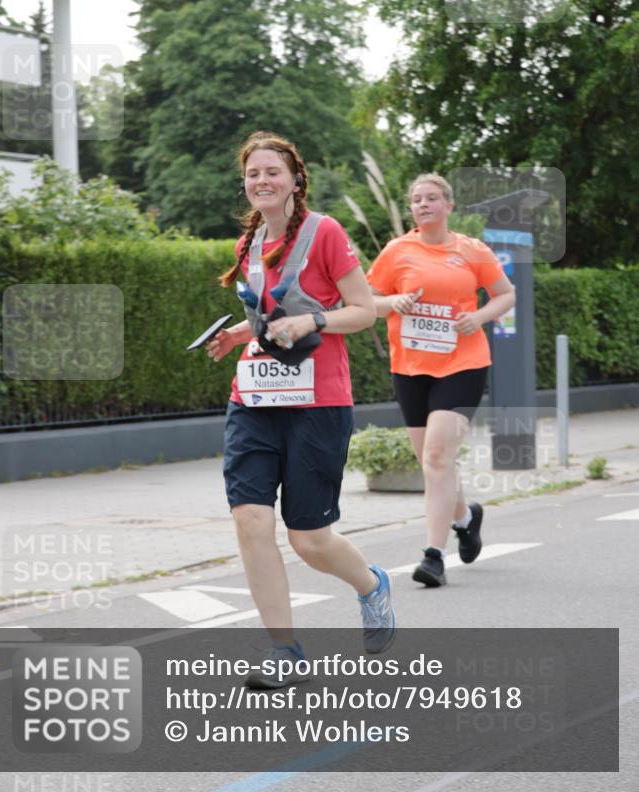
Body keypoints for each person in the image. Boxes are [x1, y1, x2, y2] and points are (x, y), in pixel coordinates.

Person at [205, 131, 396, 688]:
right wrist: (242, 334)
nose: (261, 181)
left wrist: (314, 321)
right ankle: (284, 651)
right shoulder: (248, 244)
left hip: (319, 400)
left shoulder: (325, 233)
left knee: (309, 539)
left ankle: (370, 584)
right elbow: (271, 318)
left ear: (294, 179)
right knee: (251, 521)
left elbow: (363, 311)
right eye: (253, 174)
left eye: (272, 172)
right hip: (256, 397)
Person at [367, 173, 516, 587]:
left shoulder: (473, 250)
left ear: (448, 205)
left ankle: (433, 557)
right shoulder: (397, 251)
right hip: (410, 369)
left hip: (463, 364)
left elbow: (506, 294)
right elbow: (363, 303)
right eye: (416, 199)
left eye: (432, 198)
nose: (423, 204)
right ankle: (467, 518)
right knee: (434, 462)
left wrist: (480, 317)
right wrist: (391, 302)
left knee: (436, 458)